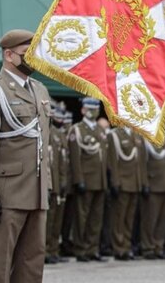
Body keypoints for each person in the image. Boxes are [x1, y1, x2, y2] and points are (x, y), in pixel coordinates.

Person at [0, 29, 53, 283]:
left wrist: (46, 187)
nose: (33, 59)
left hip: (35, 193)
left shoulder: (39, 90)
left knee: (31, 266)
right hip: (5, 195)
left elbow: (42, 143)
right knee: (0, 269)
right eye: (26, 53)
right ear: (8, 55)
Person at [70, 97, 109, 262]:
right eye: (90, 108)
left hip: (99, 180)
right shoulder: (77, 129)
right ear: (83, 110)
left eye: (95, 109)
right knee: (82, 217)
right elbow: (75, 157)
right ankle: (81, 249)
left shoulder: (100, 130)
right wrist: (78, 179)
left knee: (96, 217)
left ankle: (93, 249)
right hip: (86, 179)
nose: (93, 112)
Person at [107, 124, 148, 261]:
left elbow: (141, 162)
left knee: (129, 219)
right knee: (119, 218)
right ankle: (119, 249)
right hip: (122, 183)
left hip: (135, 183)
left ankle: (126, 246)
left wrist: (143, 183)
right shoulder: (114, 135)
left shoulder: (137, 135)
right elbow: (112, 161)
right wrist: (115, 182)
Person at [140, 128, 165, 260]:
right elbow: (142, 163)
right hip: (154, 184)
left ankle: (158, 247)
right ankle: (148, 248)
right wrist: (144, 183)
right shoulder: (147, 137)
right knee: (150, 220)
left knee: (163, 220)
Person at [45, 103, 71, 264]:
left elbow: (64, 162)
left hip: (58, 183)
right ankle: (45, 251)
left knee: (56, 221)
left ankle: (54, 250)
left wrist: (63, 182)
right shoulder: (42, 132)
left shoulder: (58, 134)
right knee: (47, 221)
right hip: (47, 184)